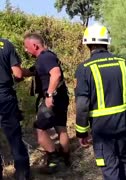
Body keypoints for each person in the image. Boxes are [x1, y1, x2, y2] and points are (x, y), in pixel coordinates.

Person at [75, 23, 126, 180]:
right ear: (107, 42)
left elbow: (82, 104)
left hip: (102, 129)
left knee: (110, 168)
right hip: (123, 124)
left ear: (88, 44)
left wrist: (81, 131)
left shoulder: (85, 68)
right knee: (125, 163)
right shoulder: (123, 63)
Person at [23, 33, 70, 173]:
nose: (26, 50)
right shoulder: (45, 57)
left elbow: (56, 74)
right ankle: (66, 159)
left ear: (35, 45)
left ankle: (54, 162)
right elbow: (29, 72)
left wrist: (49, 94)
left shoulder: (45, 57)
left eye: (26, 47)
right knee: (60, 127)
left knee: (39, 129)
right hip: (61, 97)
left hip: (54, 98)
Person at [0, 38, 30, 179]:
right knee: (14, 136)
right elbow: (17, 74)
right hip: (5, 97)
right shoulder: (5, 44)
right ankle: (22, 174)